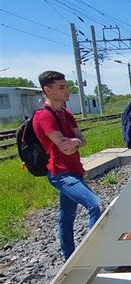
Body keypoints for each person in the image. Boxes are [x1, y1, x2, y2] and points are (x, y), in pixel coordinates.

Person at [33, 70, 101, 260]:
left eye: (66, 86)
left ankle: (68, 257)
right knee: (96, 205)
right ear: (47, 90)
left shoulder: (66, 113)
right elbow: (63, 146)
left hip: (74, 170)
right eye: (61, 87)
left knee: (66, 216)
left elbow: (81, 140)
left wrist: (76, 142)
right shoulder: (44, 116)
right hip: (60, 173)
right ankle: (93, 254)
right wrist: (74, 141)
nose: (67, 90)